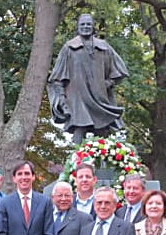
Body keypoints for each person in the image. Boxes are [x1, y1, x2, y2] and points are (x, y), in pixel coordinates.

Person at [48, 14, 129, 144]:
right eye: (82, 24)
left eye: (88, 24)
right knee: (79, 129)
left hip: (99, 97)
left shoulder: (104, 47)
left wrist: (109, 82)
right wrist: (62, 99)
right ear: (77, 27)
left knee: (102, 131)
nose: (85, 27)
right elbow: (57, 77)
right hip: (77, 97)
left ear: (93, 27)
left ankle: (103, 157)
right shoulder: (69, 48)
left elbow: (120, 70)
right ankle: (76, 157)